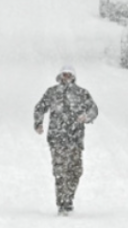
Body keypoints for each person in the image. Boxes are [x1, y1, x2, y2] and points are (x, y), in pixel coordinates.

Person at [33, 65, 98, 216]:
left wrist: (86, 117)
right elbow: (39, 108)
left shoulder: (82, 93)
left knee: (75, 171)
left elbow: (93, 109)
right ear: (60, 76)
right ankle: (62, 203)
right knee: (60, 171)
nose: (66, 77)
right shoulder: (52, 93)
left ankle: (69, 197)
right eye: (64, 75)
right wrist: (38, 123)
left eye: (69, 75)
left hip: (75, 139)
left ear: (73, 77)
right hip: (57, 139)